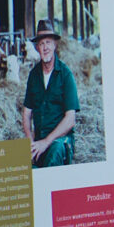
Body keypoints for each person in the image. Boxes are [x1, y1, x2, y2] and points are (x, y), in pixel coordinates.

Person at [21, 20, 78, 168]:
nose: (45, 47)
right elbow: (26, 113)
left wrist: (46, 142)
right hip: (39, 140)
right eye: (41, 44)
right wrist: (30, 140)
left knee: (55, 153)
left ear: (54, 45)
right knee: (23, 167)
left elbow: (70, 119)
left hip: (59, 140)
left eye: (48, 42)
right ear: (37, 48)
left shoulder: (65, 74)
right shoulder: (34, 75)